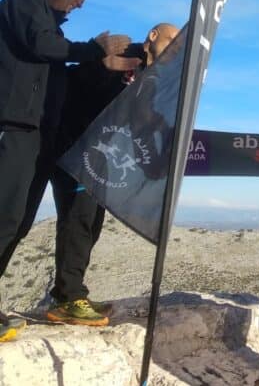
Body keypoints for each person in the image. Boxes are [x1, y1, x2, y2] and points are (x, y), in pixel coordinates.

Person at [0, 0, 134, 342]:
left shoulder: (54, 31)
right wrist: (93, 49)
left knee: (17, 222)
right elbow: (41, 44)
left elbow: (64, 71)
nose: (79, 4)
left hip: (41, 136)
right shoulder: (25, 1)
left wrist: (105, 65)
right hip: (15, 128)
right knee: (4, 215)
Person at [44, 23, 178, 326]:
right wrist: (102, 66)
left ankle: (70, 293)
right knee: (78, 219)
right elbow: (74, 81)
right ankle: (68, 298)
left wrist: (157, 159)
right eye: (171, 38)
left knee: (92, 223)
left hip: (98, 155)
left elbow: (142, 122)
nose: (175, 47)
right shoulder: (119, 52)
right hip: (72, 147)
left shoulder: (150, 78)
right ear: (153, 36)